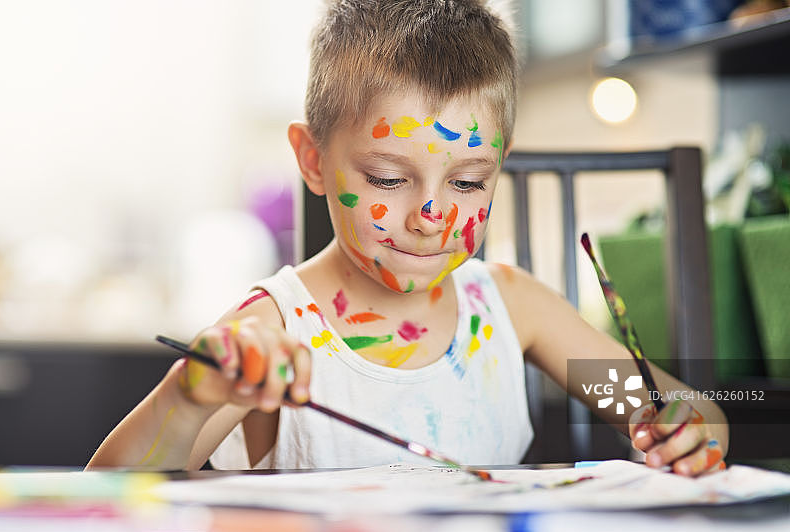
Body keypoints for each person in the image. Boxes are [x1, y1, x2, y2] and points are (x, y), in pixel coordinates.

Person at [87, 0, 728, 475]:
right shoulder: (273, 329)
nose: (431, 216)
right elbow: (110, 492)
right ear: (313, 160)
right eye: (389, 179)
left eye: (468, 183)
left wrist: (686, 432)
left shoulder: (511, 306)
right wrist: (190, 395)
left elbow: (687, 412)